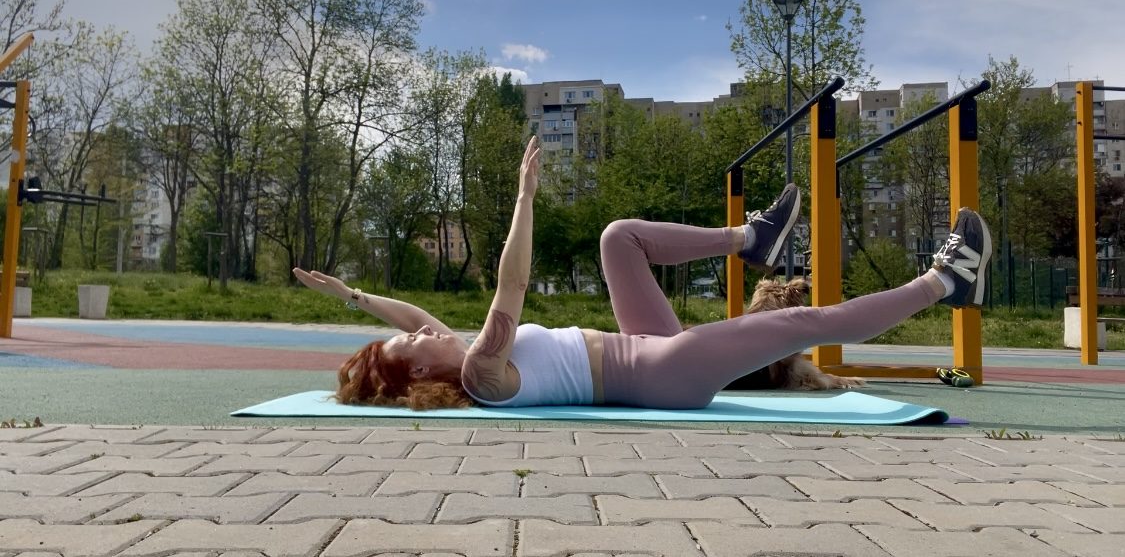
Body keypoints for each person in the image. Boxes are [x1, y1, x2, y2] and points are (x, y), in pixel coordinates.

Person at [294, 136, 992, 410]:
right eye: (413, 345)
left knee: (617, 238)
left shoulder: (460, 352)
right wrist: (524, 198)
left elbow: (411, 318)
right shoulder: (481, 373)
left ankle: (751, 238)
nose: (423, 330)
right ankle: (946, 280)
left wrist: (353, 296)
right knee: (801, 321)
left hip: (645, 347)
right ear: (420, 372)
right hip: (663, 374)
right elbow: (512, 285)